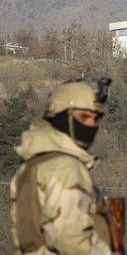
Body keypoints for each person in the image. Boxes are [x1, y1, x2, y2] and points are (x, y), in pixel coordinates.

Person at [10, 78, 117, 254]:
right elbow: (69, 239)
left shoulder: (35, 163)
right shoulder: (65, 167)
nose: (91, 124)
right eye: (83, 116)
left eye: (95, 117)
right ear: (61, 116)